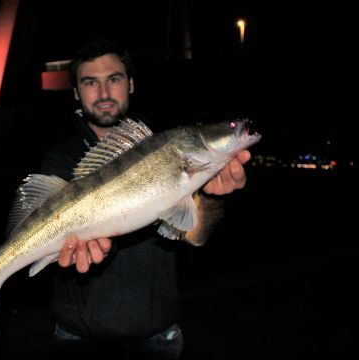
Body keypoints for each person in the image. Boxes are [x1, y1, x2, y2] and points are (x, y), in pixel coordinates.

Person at [39, 38, 251, 359]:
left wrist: (210, 196)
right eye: (90, 82)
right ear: (76, 93)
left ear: (131, 84)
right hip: (77, 339)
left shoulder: (168, 151)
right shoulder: (60, 160)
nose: (104, 92)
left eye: (114, 79)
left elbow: (195, 237)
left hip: (158, 338)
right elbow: (54, 246)